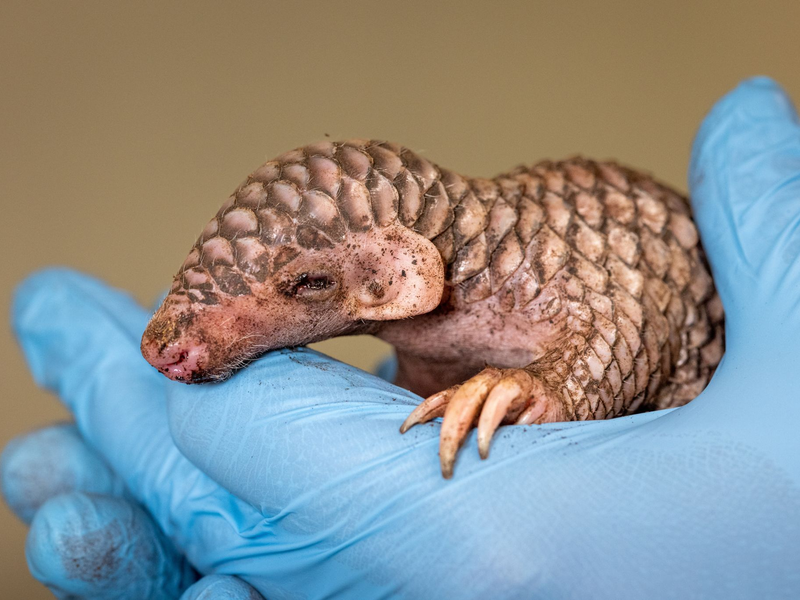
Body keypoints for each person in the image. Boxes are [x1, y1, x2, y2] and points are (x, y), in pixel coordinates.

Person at [3, 77, 799, 600]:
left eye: (300, 287)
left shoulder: (553, 265)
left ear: (394, 278)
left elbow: (623, 324)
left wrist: (547, 390)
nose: (188, 345)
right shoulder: (424, 332)